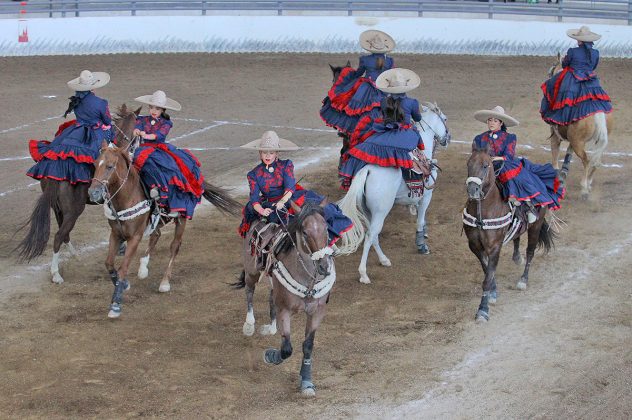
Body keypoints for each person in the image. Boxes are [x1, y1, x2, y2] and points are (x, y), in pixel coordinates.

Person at [238, 131, 352, 245]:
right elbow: (254, 199)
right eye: (264, 152)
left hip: (291, 197)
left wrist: (282, 201)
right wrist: (262, 210)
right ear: (260, 153)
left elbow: (289, 188)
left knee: (320, 212)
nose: (267, 156)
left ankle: (326, 238)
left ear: (277, 153)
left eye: (271, 152)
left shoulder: (286, 165)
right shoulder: (253, 174)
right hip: (272, 204)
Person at [473, 106, 564, 223]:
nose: (492, 123)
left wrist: (500, 158)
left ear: (501, 123)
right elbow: (476, 154)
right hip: (486, 165)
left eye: (495, 121)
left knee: (515, 176)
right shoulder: (480, 138)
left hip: (504, 163)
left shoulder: (509, 138)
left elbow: (509, 155)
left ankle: (527, 205)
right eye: (490, 120)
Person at [339, 68, 423, 189]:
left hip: (385, 131)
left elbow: (384, 116)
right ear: (406, 87)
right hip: (405, 134)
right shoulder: (412, 102)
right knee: (418, 153)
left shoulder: (384, 101)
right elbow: (418, 118)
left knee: (365, 144)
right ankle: (415, 181)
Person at [27, 70, 114, 184]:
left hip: (76, 129)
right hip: (94, 132)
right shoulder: (101, 102)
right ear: (93, 87)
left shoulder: (76, 100)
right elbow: (107, 120)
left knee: (59, 144)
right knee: (111, 140)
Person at [132, 90, 204, 219]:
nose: (154, 110)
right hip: (142, 149)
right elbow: (136, 127)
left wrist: (145, 135)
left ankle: (160, 191)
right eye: (152, 107)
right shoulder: (142, 119)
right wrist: (136, 131)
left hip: (156, 149)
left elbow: (158, 135)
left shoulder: (166, 123)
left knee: (166, 168)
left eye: (157, 108)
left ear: (163, 110)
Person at [320, 30, 396, 135]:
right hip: (383, 89)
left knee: (354, 107)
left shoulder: (365, 59)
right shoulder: (390, 61)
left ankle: (352, 130)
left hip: (366, 88)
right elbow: (390, 76)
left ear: (371, 47)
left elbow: (358, 73)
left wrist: (348, 76)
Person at [540, 26, 612, 125]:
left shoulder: (572, 51)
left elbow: (565, 65)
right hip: (590, 78)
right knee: (596, 97)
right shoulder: (595, 53)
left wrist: (565, 60)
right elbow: (593, 66)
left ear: (580, 41)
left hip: (573, 78)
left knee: (551, 85)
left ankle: (558, 118)